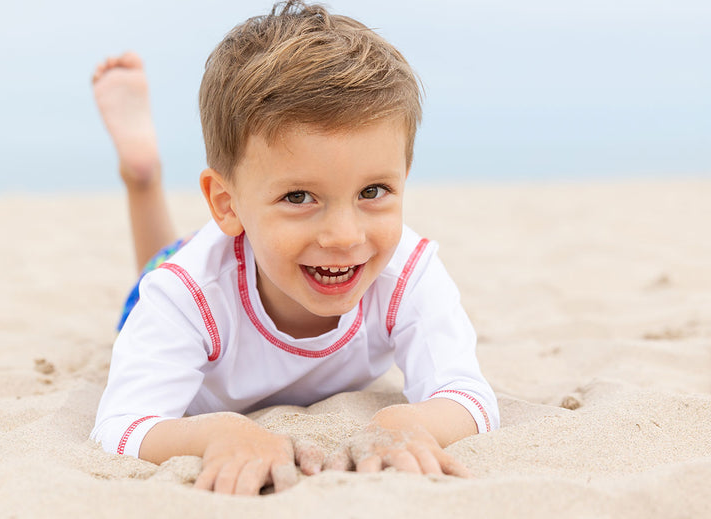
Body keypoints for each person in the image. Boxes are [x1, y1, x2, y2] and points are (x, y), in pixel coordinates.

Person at [88, 0, 497, 496]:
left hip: (241, 245)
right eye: (299, 197)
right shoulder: (188, 294)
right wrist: (220, 431)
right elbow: (121, 425)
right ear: (226, 201)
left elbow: (469, 395)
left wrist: (410, 421)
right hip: (201, 268)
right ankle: (142, 176)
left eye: (373, 192)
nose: (345, 236)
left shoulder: (408, 273)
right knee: (156, 272)